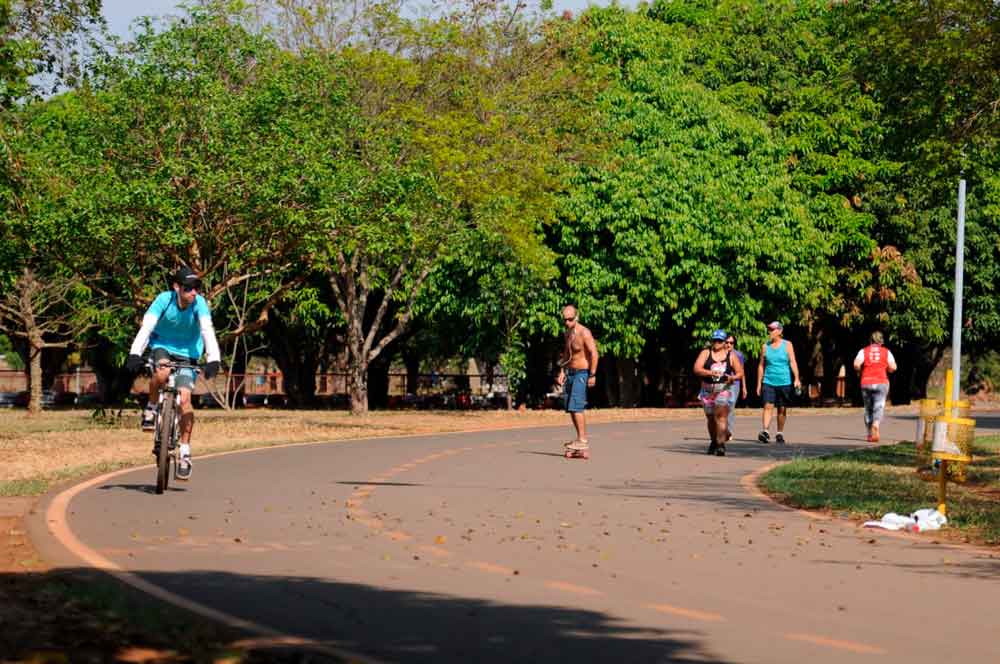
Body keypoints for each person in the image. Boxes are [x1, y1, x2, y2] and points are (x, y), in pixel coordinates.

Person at [125, 267, 221, 480]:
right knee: (162, 372)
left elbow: (207, 330)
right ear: (176, 287)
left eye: (197, 288)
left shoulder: (200, 304)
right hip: (163, 346)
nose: (194, 292)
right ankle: (150, 408)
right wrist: (134, 352)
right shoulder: (163, 300)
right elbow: (147, 326)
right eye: (189, 288)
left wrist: (214, 359)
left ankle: (185, 451)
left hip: (189, 353)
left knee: (185, 399)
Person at [555, 305, 599, 454]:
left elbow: (594, 353)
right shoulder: (567, 333)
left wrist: (592, 374)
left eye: (570, 319)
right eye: (565, 320)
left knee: (576, 406)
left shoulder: (584, 333)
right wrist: (562, 371)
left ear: (577, 317)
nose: (567, 322)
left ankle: (583, 440)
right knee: (570, 407)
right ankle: (580, 439)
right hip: (570, 372)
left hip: (582, 373)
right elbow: (567, 354)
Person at [694, 330, 743, 456]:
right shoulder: (706, 353)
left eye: (719, 341)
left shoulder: (731, 356)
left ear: (724, 342)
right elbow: (697, 369)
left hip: (723, 390)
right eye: (714, 340)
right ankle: (714, 441)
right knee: (711, 418)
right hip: (707, 391)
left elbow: (740, 373)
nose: (716, 343)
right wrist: (710, 373)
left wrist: (733, 378)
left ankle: (721, 445)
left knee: (721, 417)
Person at [756, 321, 801, 445]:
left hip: (784, 381)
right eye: (769, 329)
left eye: (772, 329)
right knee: (768, 405)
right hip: (768, 381)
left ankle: (780, 433)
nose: (770, 332)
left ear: (780, 331)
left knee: (781, 408)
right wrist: (759, 383)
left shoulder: (787, 345)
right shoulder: (765, 346)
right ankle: (765, 431)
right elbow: (761, 365)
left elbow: (792, 362)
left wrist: (797, 378)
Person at [853, 331, 897, 442]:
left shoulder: (863, 351)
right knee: (879, 405)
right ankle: (876, 424)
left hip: (866, 382)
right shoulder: (886, 352)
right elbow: (893, 367)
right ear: (881, 341)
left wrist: (860, 370)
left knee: (868, 408)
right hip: (881, 381)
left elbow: (856, 364)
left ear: (871, 340)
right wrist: (888, 369)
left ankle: (869, 434)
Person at [724, 334, 747, 441]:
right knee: (720, 407)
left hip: (734, 384)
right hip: (721, 384)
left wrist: (744, 388)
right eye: (727, 342)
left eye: (731, 343)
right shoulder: (719, 354)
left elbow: (742, 372)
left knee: (730, 407)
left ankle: (729, 431)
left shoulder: (738, 355)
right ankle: (721, 430)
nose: (729, 344)